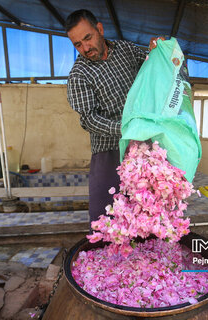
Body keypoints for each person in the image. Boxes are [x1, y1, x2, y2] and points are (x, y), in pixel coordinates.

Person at [65, 9, 158, 225]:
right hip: (109, 152)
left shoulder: (125, 49)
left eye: (87, 38)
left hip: (143, 146)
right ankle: (106, 257)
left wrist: (156, 50)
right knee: (105, 217)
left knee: (146, 210)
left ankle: (143, 257)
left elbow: (150, 65)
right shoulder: (79, 75)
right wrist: (126, 129)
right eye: (78, 44)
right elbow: (88, 119)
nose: (85, 48)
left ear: (99, 29)